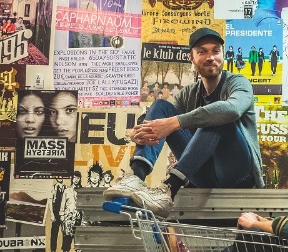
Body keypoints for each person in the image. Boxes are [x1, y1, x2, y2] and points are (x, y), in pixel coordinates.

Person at [103, 28, 263, 218]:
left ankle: (170, 189)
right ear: (191, 58)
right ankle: (137, 176)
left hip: (237, 174)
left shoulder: (238, 83)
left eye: (216, 51)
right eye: (202, 52)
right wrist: (136, 132)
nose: (210, 57)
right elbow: (161, 118)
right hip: (202, 175)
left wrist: (176, 122)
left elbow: (232, 109)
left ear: (223, 55)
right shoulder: (189, 93)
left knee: (218, 116)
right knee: (161, 106)